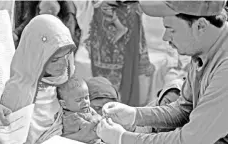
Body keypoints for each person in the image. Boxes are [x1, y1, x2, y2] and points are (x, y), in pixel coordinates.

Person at [96, 1, 228, 144]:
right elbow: (184, 109)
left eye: (171, 29)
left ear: (200, 26)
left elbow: (192, 139)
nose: (165, 37)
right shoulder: (203, 49)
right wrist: (135, 115)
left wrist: (123, 139)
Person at [0, 14, 96, 144]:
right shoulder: (18, 91)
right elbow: (12, 135)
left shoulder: (63, 80)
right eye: (55, 60)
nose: (62, 64)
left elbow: (77, 108)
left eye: (66, 56)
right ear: (35, 58)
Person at [57, 76, 102, 143]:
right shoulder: (70, 117)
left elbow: (97, 116)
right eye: (78, 100)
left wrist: (98, 118)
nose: (85, 102)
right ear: (64, 104)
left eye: (86, 97)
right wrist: (96, 121)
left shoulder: (86, 108)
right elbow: (87, 128)